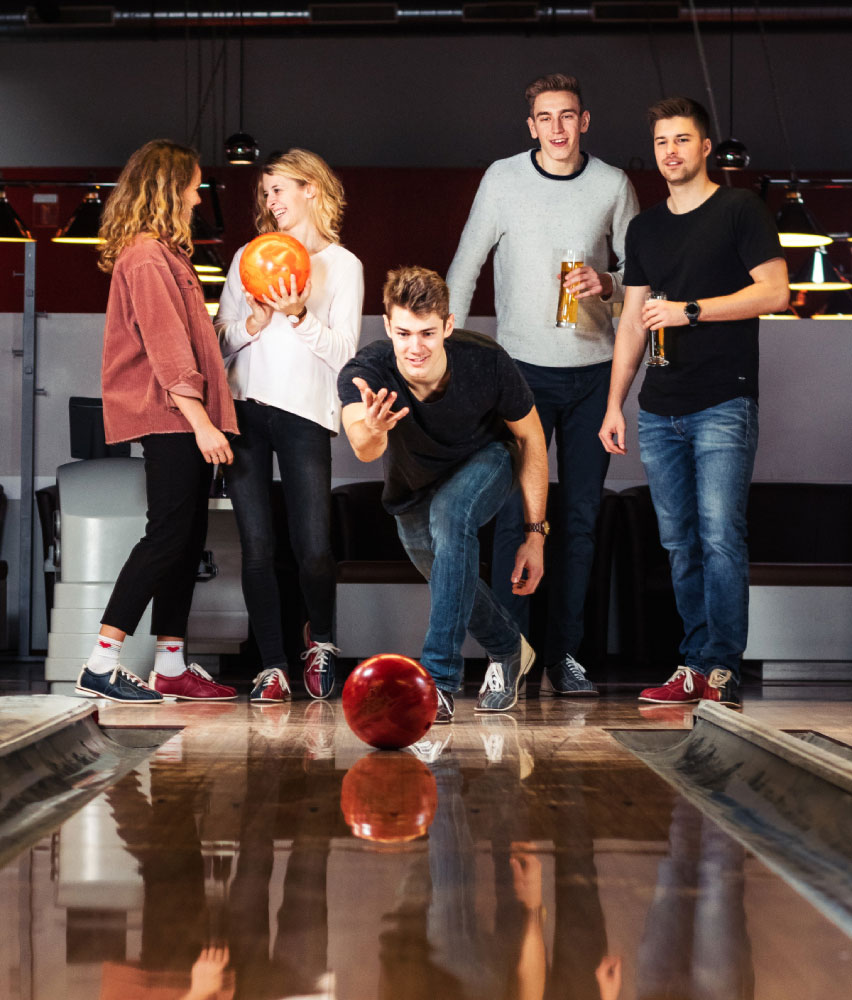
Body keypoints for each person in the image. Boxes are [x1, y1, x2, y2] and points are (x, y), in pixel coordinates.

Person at [446, 73, 639, 698]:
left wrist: (607, 284)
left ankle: (567, 657)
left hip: (591, 376)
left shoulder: (612, 185)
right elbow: (466, 263)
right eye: (545, 118)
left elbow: (640, 277)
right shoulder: (503, 178)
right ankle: (508, 657)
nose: (557, 128)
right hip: (520, 373)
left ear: (585, 122)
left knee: (579, 518)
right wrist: (448, 358)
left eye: (568, 116)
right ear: (531, 126)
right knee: (513, 519)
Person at [598, 97, 789, 708]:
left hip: (723, 402)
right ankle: (693, 663)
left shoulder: (740, 209)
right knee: (679, 541)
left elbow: (776, 292)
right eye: (661, 142)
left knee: (720, 535)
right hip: (659, 409)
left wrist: (691, 311)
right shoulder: (645, 227)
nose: (671, 152)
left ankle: (722, 666)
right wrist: (614, 406)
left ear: (706, 147)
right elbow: (630, 322)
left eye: (682, 139)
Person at [338, 266, 548, 723]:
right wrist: (374, 428)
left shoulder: (485, 360)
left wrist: (535, 534)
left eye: (428, 333)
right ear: (388, 326)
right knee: (454, 581)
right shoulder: (365, 372)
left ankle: (438, 682)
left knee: (452, 516)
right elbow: (363, 444)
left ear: (449, 326)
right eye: (404, 332)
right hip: (413, 488)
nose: (416, 347)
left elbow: (532, 438)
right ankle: (510, 650)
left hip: (487, 459)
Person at [77, 139, 239, 705]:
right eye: (194, 186)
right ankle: (102, 661)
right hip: (171, 415)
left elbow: (193, 341)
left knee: (187, 538)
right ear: (169, 189)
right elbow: (169, 352)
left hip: (180, 414)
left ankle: (170, 665)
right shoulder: (146, 257)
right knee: (168, 534)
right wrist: (202, 422)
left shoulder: (167, 258)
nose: (198, 197)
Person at [216, 149, 364, 704]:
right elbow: (221, 341)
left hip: (305, 416)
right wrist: (252, 324)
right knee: (257, 546)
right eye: (266, 192)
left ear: (312, 191)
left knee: (313, 547)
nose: (270, 201)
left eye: (279, 189)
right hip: (246, 412)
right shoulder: (246, 257)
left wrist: (300, 316)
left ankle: (320, 642)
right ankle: (272, 664)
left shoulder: (342, 265)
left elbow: (345, 354)